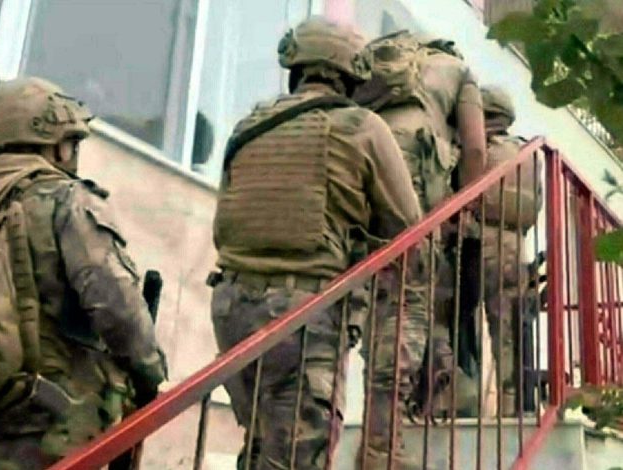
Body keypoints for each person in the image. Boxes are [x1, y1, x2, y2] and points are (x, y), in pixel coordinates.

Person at [0, 77, 167, 469]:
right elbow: (119, 311)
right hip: (41, 432)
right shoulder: (66, 201)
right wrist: (151, 374)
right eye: (72, 142)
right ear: (54, 144)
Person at [208, 17, 425, 470]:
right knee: (298, 454)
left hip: (231, 307)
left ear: (297, 67)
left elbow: (223, 223)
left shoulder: (250, 124)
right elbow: (409, 226)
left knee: (261, 443)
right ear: (352, 74)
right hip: (303, 313)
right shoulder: (362, 126)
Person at [354, 30, 487, 423]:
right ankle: (385, 428)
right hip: (415, 180)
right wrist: (463, 207)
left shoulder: (379, 64)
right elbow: (476, 149)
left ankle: (378, 407)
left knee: (374, 294)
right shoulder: (458, 70)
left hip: (362, 167)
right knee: (410, 301)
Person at [476, 85, 541, 416]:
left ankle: (456, 398)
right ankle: (514, 406)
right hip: (517, 245)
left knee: (452, 317)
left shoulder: (479, 148)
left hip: (480, 239)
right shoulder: (527, 153)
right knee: (510, 330)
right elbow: (536, 203)